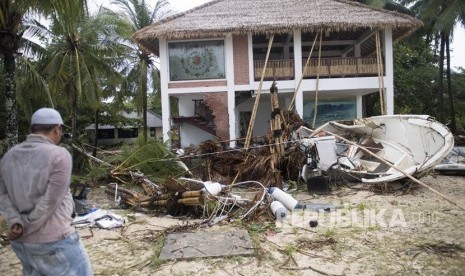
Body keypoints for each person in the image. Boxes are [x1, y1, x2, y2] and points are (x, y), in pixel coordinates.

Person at [0, 107, 93, 276]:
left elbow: (3, 195)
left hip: (21, 244)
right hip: (54, 242)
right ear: (57, 129)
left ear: (32, 129)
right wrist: (26, 225)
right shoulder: (59, 155)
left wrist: (15, 223)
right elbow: (50, 201)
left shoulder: (9, 156)